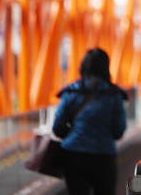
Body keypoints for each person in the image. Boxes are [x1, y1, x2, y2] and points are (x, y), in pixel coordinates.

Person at [53, 47, 127, 195]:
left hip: (74, 156)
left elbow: (57, 127)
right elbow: (118, 131)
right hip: (103, 157)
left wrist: (75, 133)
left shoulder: (71, 92)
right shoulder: (113, 95)